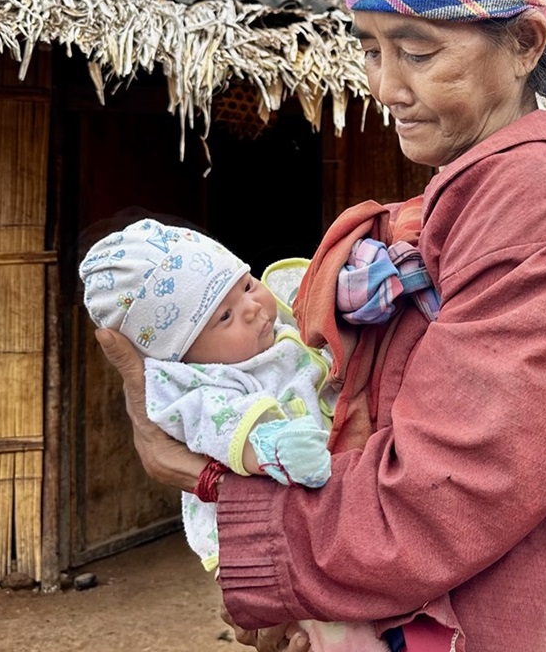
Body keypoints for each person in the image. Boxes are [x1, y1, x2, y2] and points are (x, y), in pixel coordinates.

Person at [95, 0, 546, 652]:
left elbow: (428, 506)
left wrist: (202, 478)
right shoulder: (457, 202)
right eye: (371, 48)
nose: (382, 84)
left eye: (415, 51)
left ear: (523, 41)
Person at [79, 218, 433, 652]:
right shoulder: (201, 387)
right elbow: (225, 422)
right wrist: (271, 445)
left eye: (246, 285)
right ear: (182, 355)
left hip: (341, 499)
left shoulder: (281, 328)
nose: (252, 307)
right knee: (333, 625)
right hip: (272, 515)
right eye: (223, 316)